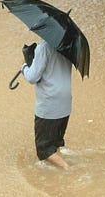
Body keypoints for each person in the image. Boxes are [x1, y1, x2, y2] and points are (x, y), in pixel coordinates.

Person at [21, 40, 72, 169]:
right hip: (65, 103)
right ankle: (57, 171)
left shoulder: (43, 47)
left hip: (49, 104)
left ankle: (69, 170)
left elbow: (33, 77)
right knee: (54, 145)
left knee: (44, 150)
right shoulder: (69, 44)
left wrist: (24, 68)